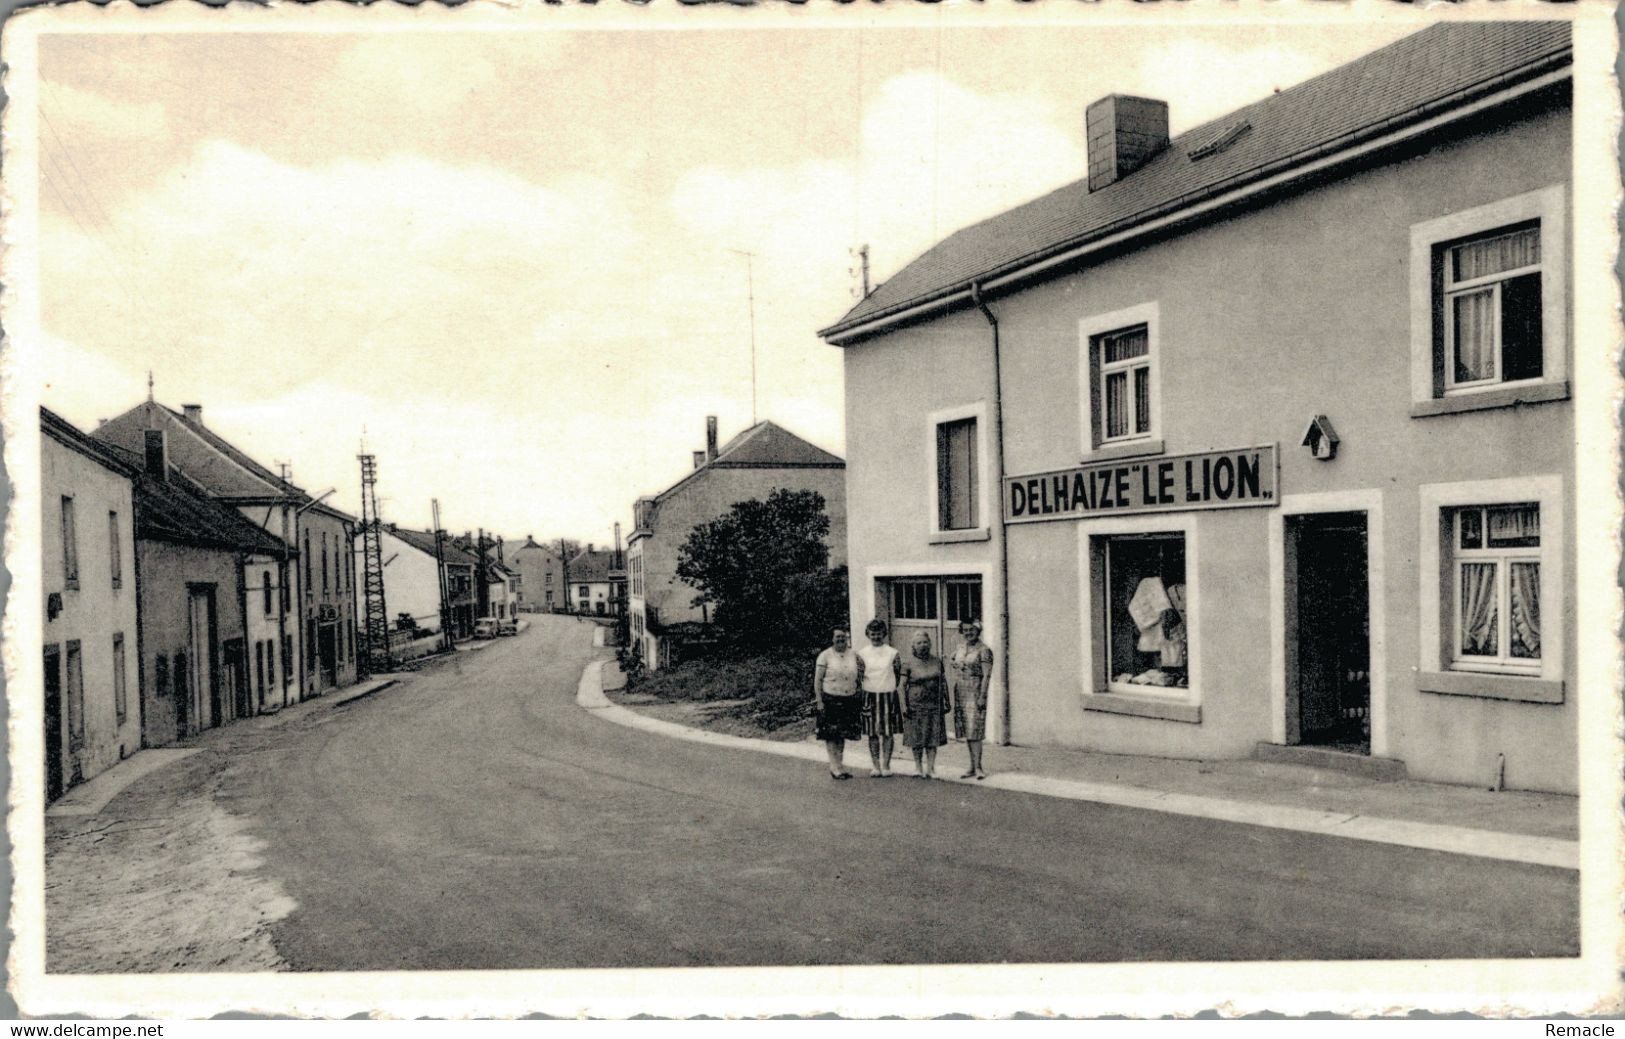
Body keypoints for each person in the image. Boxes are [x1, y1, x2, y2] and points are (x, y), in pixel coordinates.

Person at [813, 626, 865, 780]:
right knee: (831, 734)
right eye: (838, 637)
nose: (841, 640)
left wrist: (858, 691)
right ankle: (833, 766)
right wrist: (819, 701)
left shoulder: (854, 654)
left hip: (848, 699)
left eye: (844, 637)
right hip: (831, 699)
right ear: (832, 639)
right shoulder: (825, 656)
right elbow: (818, 681)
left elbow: (861, 674)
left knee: (842, 734)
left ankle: (840, 766)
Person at [856, 619, 903, 778]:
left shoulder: (893, 653)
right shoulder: (862, 654)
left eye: (879, 633)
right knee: (872, 733)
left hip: (888, 695)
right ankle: (876, 766)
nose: (876, 637)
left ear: (884, 634)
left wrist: (888, 686)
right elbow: (860, 676)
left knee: (888, 733)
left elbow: (897, 674)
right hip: (869, 695)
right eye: (873, 634)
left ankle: (886, 765)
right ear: (868, 634)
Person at [898, 630, 947, 779]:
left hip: (934, 704)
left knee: (933, 738)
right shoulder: (908, 663)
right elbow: (901, 686)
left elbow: (943, 682)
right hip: (915, 705)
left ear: (930, 644)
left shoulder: (937, 661)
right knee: (917, 738)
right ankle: (918, 768)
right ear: (913, 645)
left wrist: (947, 701)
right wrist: (903, 706)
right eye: (919, 643)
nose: (922, 645)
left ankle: (931, 769)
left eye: (925, 642)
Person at [950, 620, 994, 779]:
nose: (968, 633)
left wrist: (983, 696)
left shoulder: (984, 650)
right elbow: (953, 660)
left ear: (978, 631)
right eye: (965, 630)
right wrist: (955, 664)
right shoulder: (961, 647)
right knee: (968, 730)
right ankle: (972, 766)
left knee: (975, 729)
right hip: (961, 690)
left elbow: (986, 676)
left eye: (972, 630)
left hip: (975, 691)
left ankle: (979, 767)